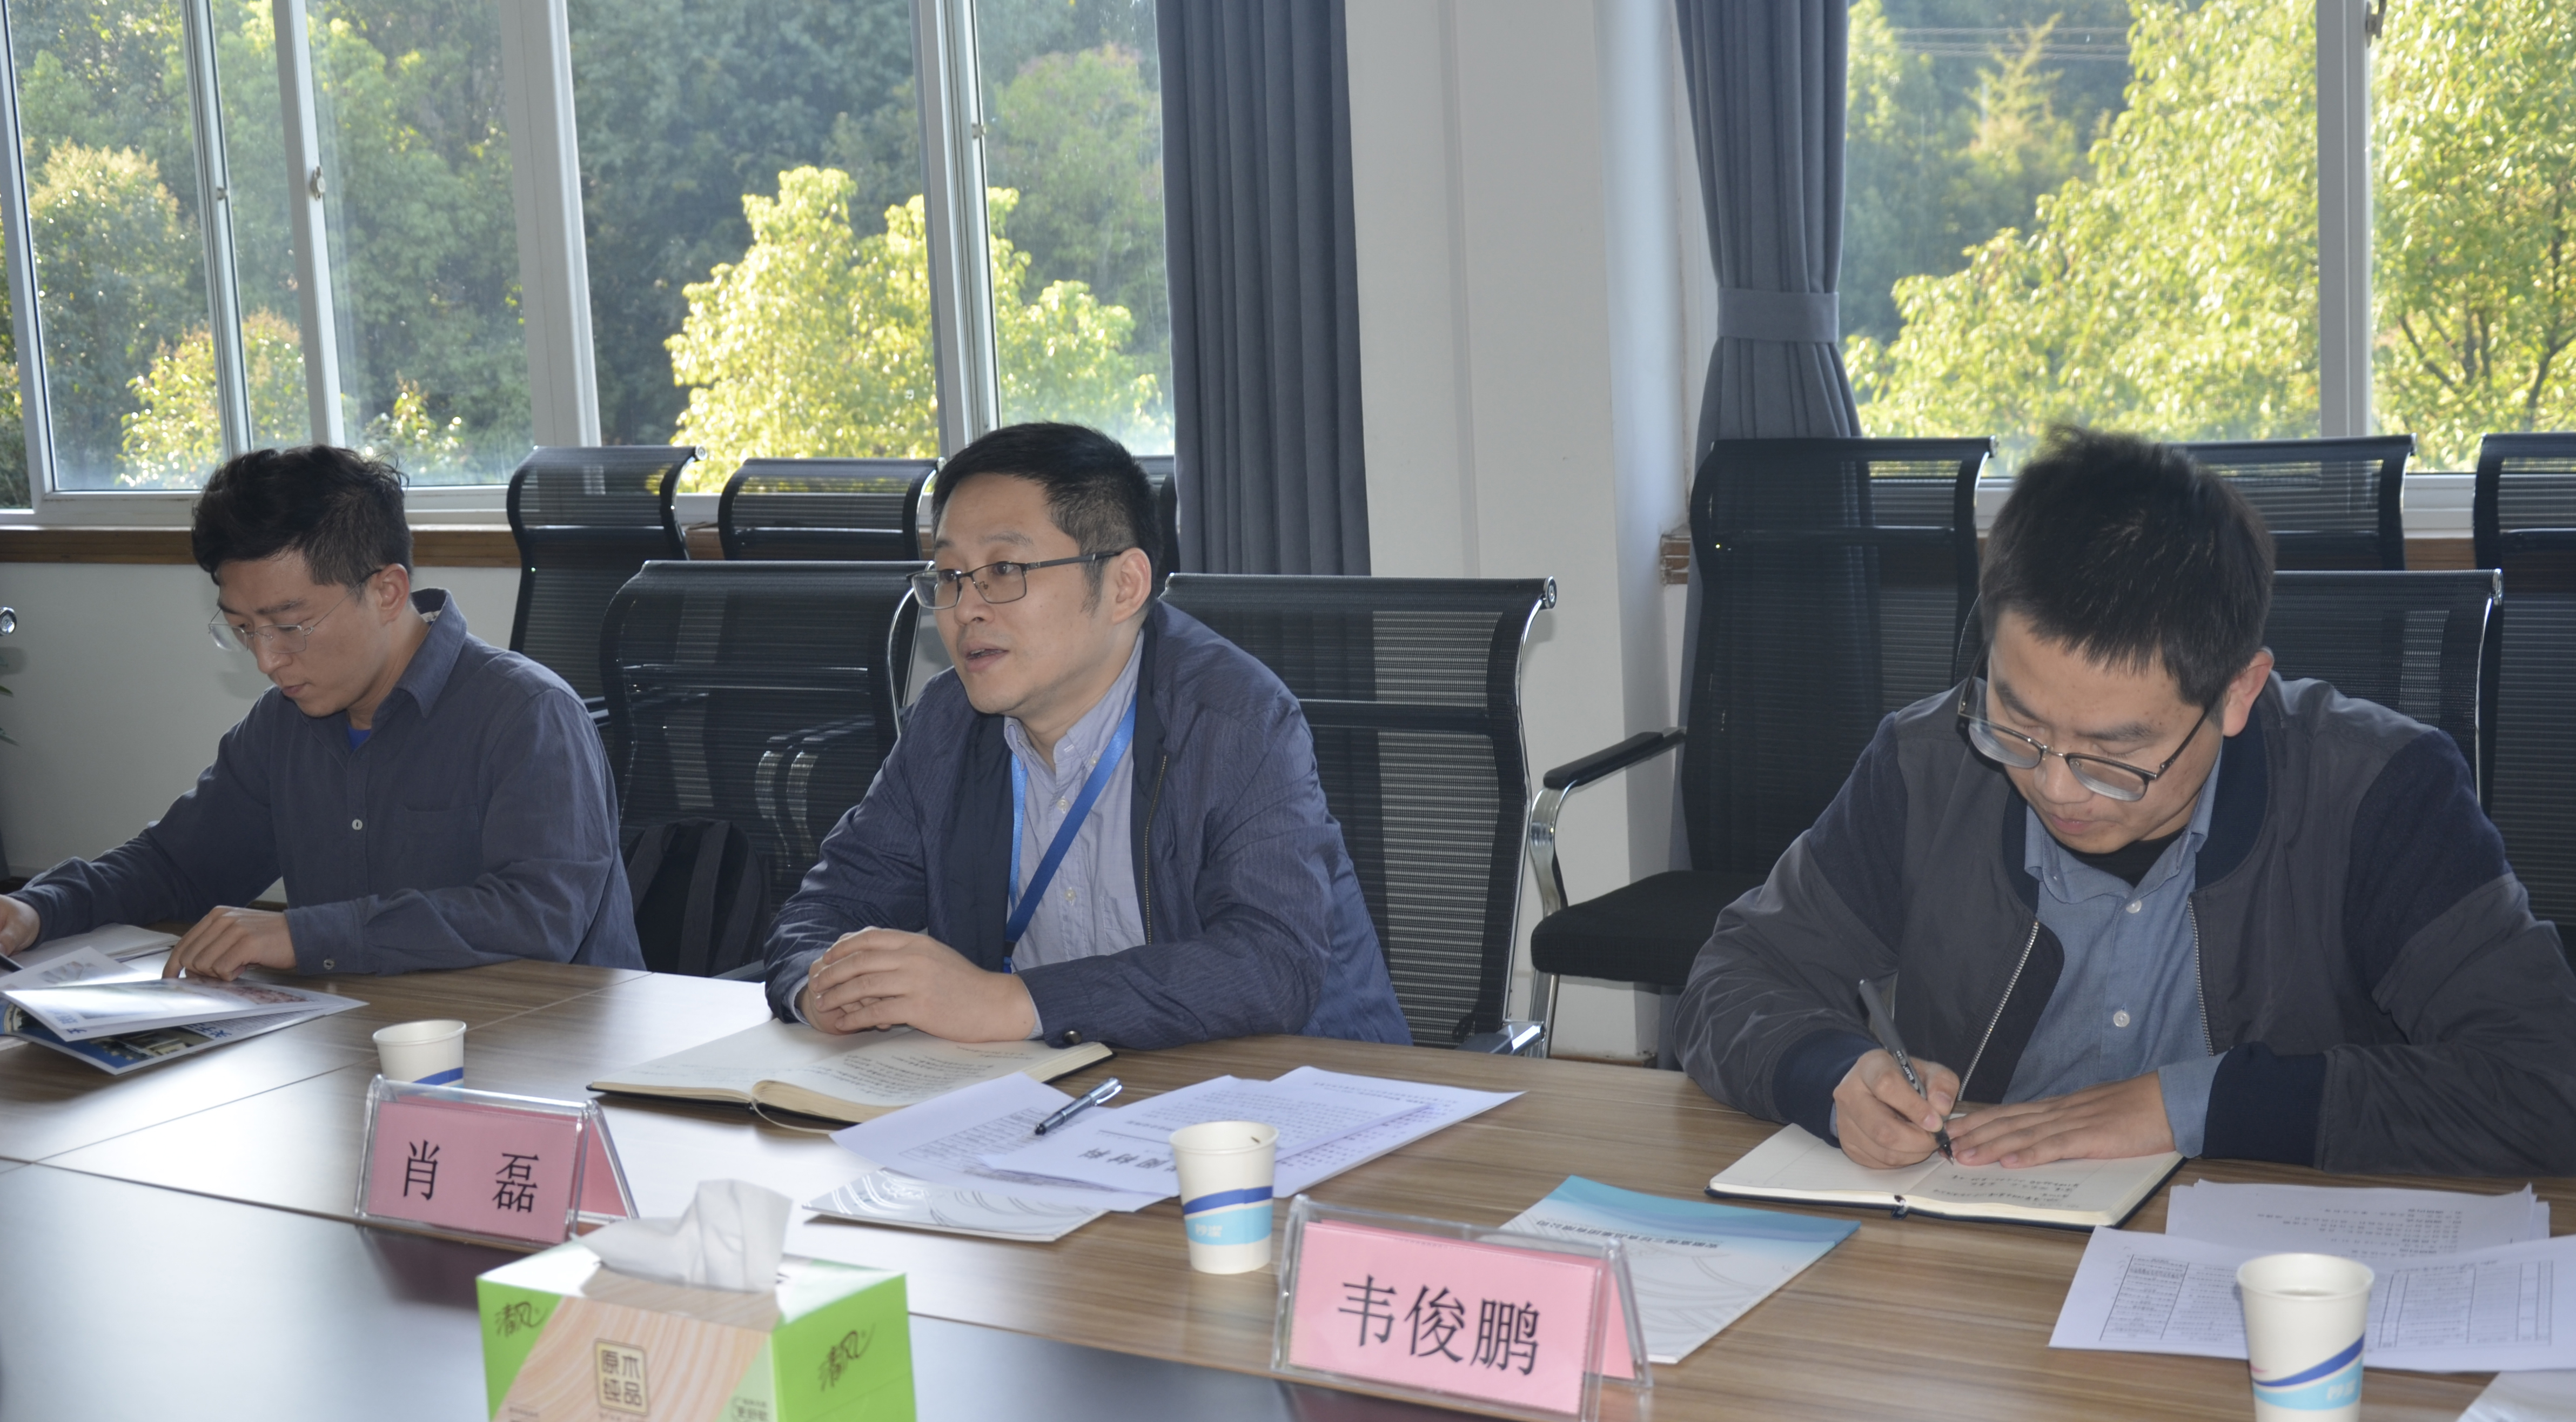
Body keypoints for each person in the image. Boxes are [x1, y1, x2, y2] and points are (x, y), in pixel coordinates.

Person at [1676, 426, 2576, 1176]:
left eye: (2114, 754)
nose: (2055, 785)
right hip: (1985, 1259)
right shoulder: (1925, 766)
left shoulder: (2380, 791)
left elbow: (2547, 1082)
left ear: (2236, 692)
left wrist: (2198, 1105)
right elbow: (1731, 979)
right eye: (2018, 723)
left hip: (2265, 1272)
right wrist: (1829, 1072)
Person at [766, 422, 1410, 1050]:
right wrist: (820, 989)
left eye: (1004, 568)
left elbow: (1270, 964)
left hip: (1294, 1089)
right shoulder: (947, 723)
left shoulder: (1234, 718)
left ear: (1124, 586)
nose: (965, 608)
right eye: (951, 575)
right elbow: (826, 911)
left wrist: (1013, 1003)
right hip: (1058, 1091)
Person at [0, 445, 640, 977]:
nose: (267, 660)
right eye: (243, 628)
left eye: (290, 625)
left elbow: (538, 918)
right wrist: (40, 908)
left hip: (550, 1053)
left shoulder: (528, 715)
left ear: (387, 591)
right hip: (362, 1042)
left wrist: (305, 935)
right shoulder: (283, 724)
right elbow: (178, 865)